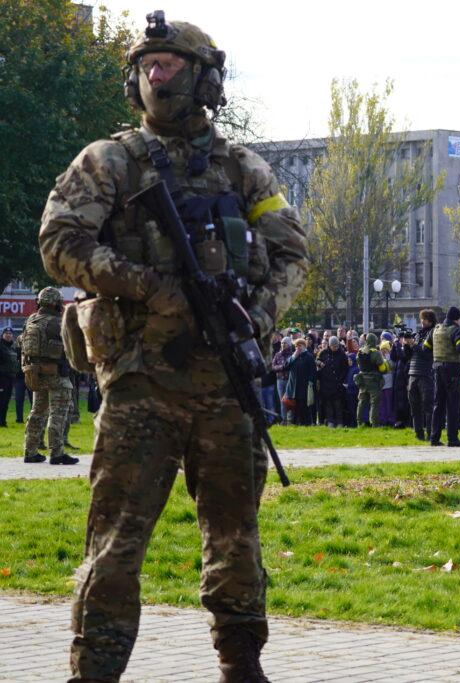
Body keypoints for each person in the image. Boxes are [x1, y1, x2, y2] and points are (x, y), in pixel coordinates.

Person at [37, 11, 308, 681]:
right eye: (146, 66)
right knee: (116, 546)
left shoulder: (243, 169)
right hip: (141, 383)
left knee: (237, 540)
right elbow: (60, 243)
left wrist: (256, 315)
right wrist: (146, 285)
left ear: (206, 79)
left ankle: (241, 662)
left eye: (171, 65)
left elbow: (291, 252)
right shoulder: (110, 162)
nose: (157, 75)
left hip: (223, 383)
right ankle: (92, 670)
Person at [18, 287, 77, 465]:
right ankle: (57, 453)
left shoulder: (31, 320)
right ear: (57, 303)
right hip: (57, 374)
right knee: (58, 414)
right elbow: (72, 346)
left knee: (37, 412)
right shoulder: (58, 323)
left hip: (35, 373)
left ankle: (30, 451)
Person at [431, 306, 460, 447]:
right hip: (452, 369)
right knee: (452, 405)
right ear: (457, 319)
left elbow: (426, 347)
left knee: (438, 404)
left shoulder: (436, 329)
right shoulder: (455, 330)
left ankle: (434, 438)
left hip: (437, 367)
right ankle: (452, 438)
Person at [408, 309, 437, 440]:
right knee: (414, 406)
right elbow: (406, 356)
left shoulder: (433, 334)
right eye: (421, 318)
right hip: (413, 373)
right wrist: (406, 346)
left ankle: (431, 433)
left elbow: (426, 354)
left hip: (425, 373)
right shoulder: (418, 334)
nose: (422, 321)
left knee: (428, 405)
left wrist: (413, 345)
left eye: (424, 319)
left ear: (430, 320)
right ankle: (418, 434)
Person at [354, 333, 387, 426]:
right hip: (374, 381)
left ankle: (359, 423)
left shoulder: (360, 352)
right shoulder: (376, 353)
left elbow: (359, 365)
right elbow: (382, 369)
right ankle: (374, 424)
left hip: (362, 381)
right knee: (374, 404)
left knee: (361, 402)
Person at [317, 336, 349, 428]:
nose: (335, 348)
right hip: (326, 384)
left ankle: (339, 422)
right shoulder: (323, 352)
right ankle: (330, 421)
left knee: (338, 404)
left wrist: (341, 379)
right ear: (329, 346)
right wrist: (320, 363)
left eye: (336, 346)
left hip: (337, 384)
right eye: (333, 346)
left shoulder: (342, 354)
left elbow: (345, 367)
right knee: (328, 404)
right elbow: (317, 360)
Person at [284, 337, 316, 425]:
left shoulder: (309, 356)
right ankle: (294, 425)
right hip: (293, 387)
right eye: (296, 346)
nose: (297, 347)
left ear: (304, 346)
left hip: (304, 387)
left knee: (304, 408)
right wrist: (294, 356)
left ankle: (306, 424)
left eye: (299, 345)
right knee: (294, 409)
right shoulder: (294, 356)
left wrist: (310, 384)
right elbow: (285, 367)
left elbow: (313, 372)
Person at [0, 327, 16, 426]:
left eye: (10, 333)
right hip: (1, 377)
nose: (8, 335)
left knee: (6, 400)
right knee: (1, 400)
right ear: (2, 335)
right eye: (6, 333)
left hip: (10, 377)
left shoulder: (12, 347)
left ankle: (3, 421)